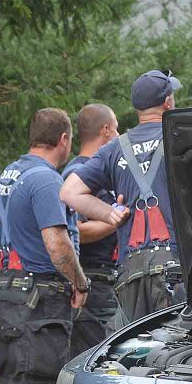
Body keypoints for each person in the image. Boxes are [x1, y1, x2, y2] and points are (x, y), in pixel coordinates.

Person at [0, 108, 89, 384]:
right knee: (35, 380)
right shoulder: (47, 180)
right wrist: (78, 281)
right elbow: (56, 242)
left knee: (10, 380)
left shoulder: (10, 174)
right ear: (64, 140)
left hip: (10, 290)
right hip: (39, 294)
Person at [61, 70, 182, 323]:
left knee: (133, 355)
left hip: (131, 274)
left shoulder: (115, 148)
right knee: (177, 354)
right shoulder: (181, 137)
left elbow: (69, 191)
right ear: (168, 102)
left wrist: (110, 214)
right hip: (176, 271)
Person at [64, 103, 121, 356]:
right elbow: (75, 231)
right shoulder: (78, 174)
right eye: (117, 129)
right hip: (93, 281)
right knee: (99, 355)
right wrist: (116, 219)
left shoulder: (96, 172)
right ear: (106, 131)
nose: (120, 136)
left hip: (107, 280)